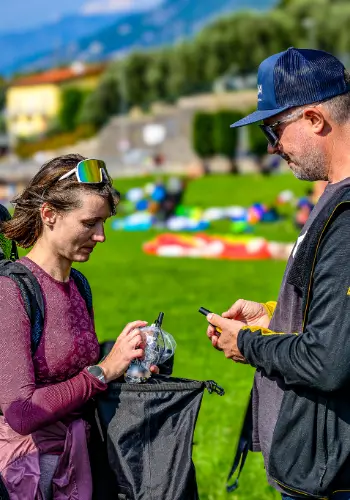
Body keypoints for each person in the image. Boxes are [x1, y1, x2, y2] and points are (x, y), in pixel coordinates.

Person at [205, 47, 350, 500]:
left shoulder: (346, 216)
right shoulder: (333, 196)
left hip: (331, 478)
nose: (272, 146)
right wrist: (274, 316)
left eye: (273, 128)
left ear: (313, 118)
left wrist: (246, 344)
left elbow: (328, 362)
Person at [0, 154, 157, 499]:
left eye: (103, 223)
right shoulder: (11, 291)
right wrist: (102, 371)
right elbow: (22, 413)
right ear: (49, 215)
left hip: (83, 462)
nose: (100, 236)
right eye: (89, 223)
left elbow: (71, 363)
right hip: (30, 474)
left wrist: (128, 361)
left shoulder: (78, 283)